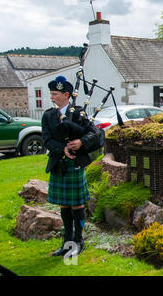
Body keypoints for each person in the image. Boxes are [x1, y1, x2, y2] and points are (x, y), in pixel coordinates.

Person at [42, 76, 101, 257]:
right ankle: (67, 243)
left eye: (55, 94)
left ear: (66, 94)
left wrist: (81, 142)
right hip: (59, 164)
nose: (52, 97)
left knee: (76, 205)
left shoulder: (79, 113)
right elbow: (47, 140)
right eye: (51, 94)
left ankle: (79, 241)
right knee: (64, 206)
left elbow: (96, 133)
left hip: (75, 165)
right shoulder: (48, 115)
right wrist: (63, 149)